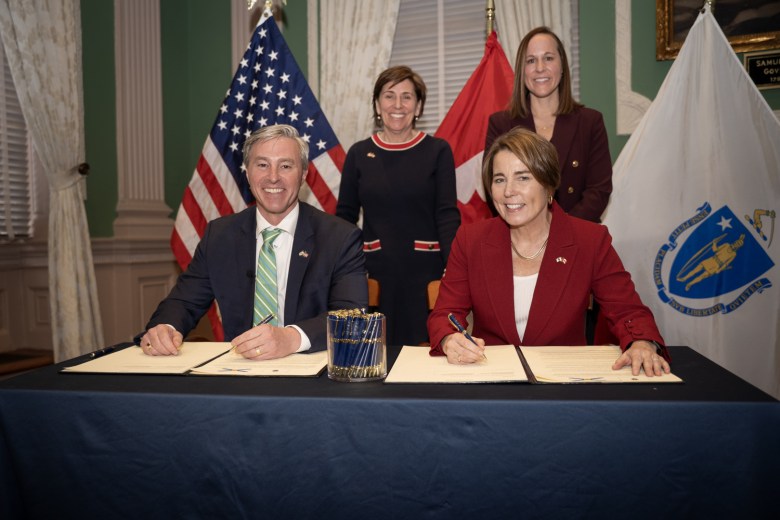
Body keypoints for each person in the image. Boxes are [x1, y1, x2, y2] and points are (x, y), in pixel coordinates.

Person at [428, 128, 670, 377]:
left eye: (523, 177)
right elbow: (445, 315)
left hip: (566, 382)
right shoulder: (470, 240)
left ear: (548, 183)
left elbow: (628, 310)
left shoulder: (590, 240)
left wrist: (641, 343)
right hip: (492, 379)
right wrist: (449, 339)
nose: (508, 191)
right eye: (499, 179)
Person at [137, 125, 367, 359]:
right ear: (247, 173)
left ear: (304, 175)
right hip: (237, 371)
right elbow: (183, 301)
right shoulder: (220, 236)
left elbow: (352, 316)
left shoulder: (339, 237)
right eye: (262, 165)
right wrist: (166, 328)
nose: (273, 176)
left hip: (312, 376)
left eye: (286, 166)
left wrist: (291, 338)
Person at [336, 65, 460, 346]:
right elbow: (345, 218)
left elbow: (447, 214)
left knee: (425, 355)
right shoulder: (358, 153)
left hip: (426, 272)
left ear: (418, 107)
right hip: (373, 273)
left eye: (407, 97)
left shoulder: (438, 151)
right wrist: (345, 266)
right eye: (389, 96)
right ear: (378, 105)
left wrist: (453, 266)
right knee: (376, 356)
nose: (398, 105)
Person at [485, 26, 612, 223]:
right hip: (520, 237)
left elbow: (599, 191)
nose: (540, 68)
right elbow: (494, 187)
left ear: (562, 66)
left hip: (576, 234)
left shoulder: (590, 122)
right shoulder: (500, 124)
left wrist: (558, 231)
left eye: (548, 58)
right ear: (522, 70)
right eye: (531, 60)